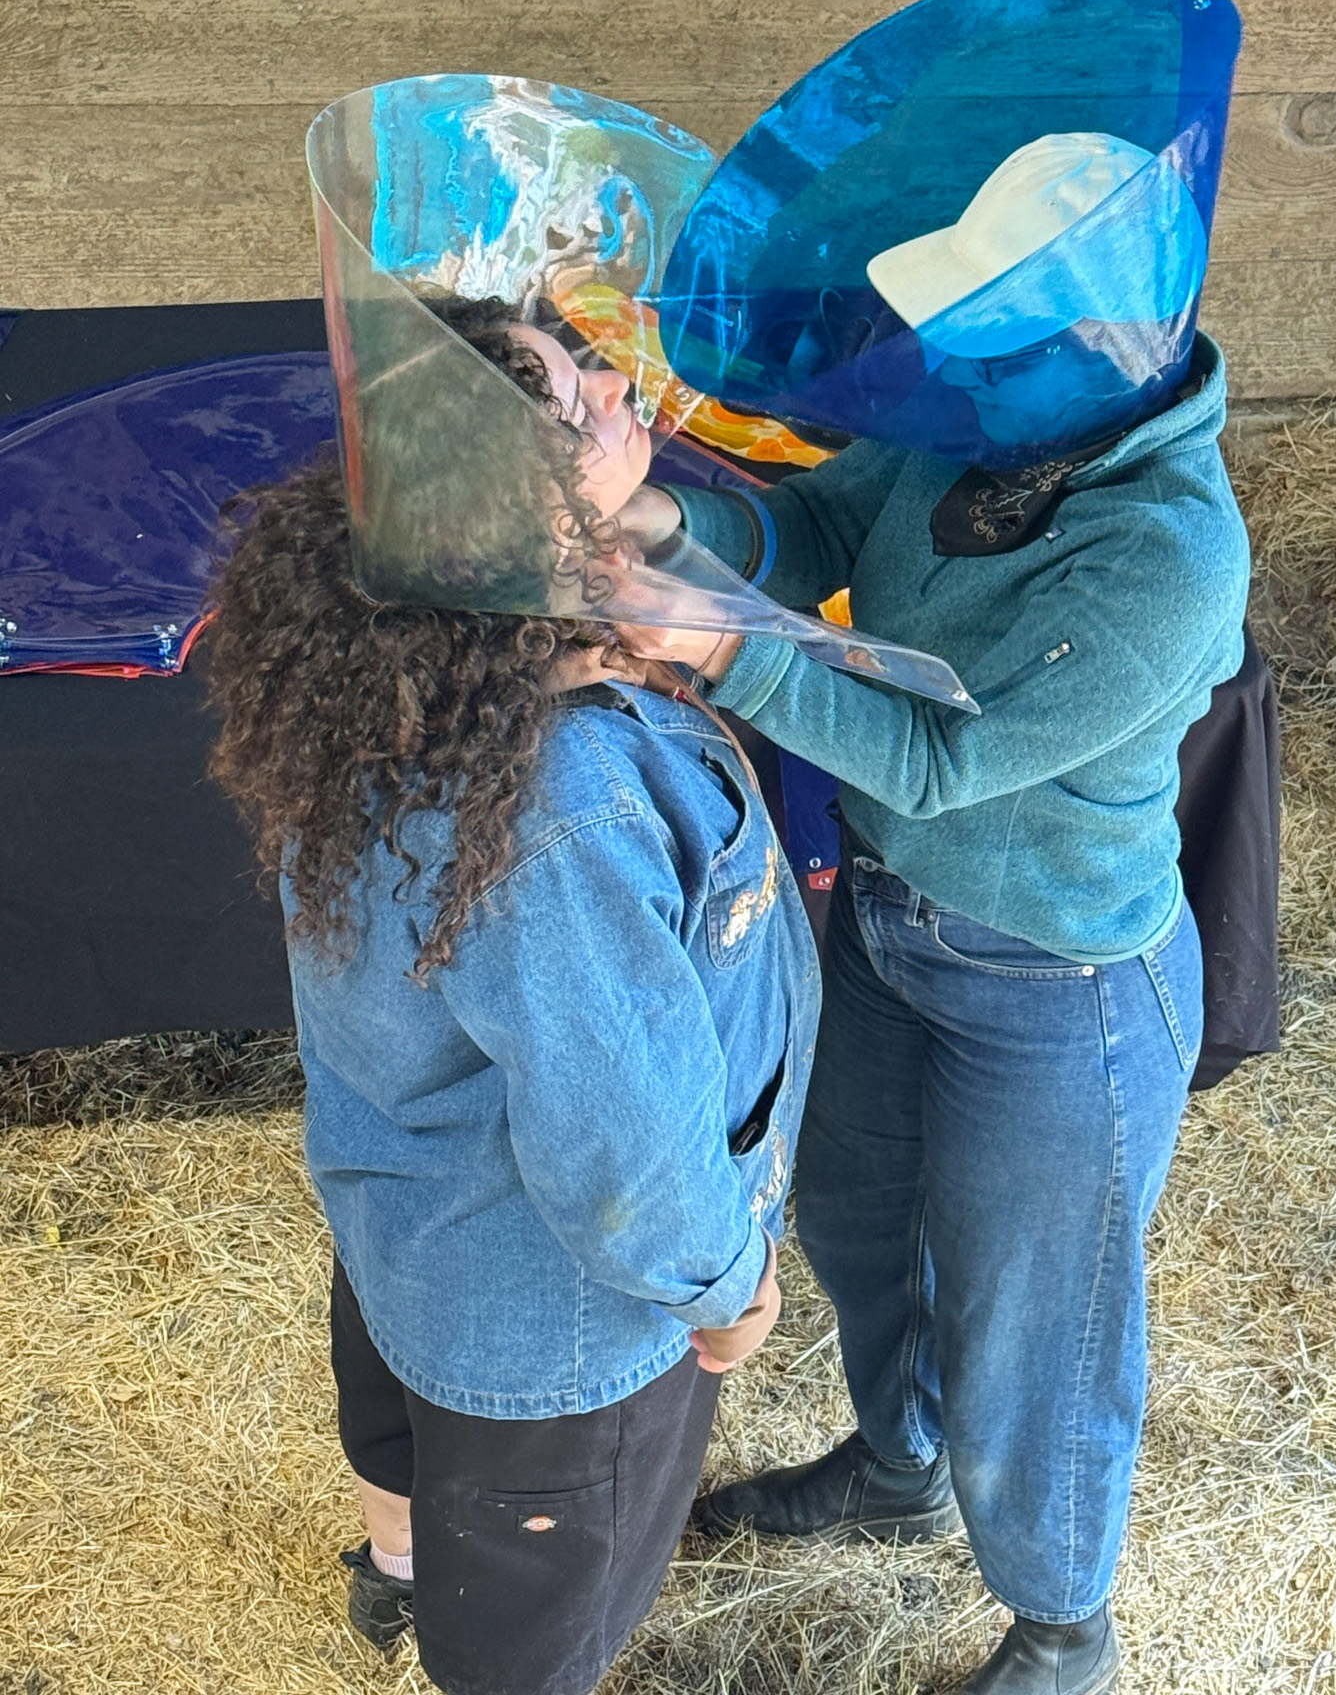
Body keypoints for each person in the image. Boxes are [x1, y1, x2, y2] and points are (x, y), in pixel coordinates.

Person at [617, 88, 1252, 1692]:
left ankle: (1061, 1621)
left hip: (1058, 979)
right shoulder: (999, 413)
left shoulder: (1166, 554)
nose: (954, 358)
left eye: (995, 327)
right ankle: (896, 1465)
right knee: (849, 1215)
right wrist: (673, 523)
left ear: (1113, 336)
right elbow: (825, 511)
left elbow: (941, 759)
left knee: (1035, 1320)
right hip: (896, 931)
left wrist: (721, 647)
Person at [204, 298, 820, 1695]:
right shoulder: (560, 808)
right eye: (563, 392)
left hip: (413, 1230)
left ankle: (400, 1570)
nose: (610, 389)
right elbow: (625, 1136)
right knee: (531, 1641)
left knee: (414, 1438)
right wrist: (722, 1290)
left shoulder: (405, 678)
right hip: (558, 1327)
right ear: (518, 507)